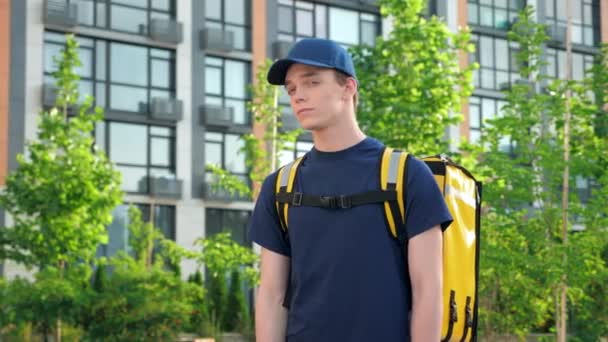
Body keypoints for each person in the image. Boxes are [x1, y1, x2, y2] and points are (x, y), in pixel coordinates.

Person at [248, 38, 452, 342]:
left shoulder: (406, 176)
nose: (298, 96)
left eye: (312, 82)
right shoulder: (280, 186)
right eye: (291, 89)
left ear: (348, 88)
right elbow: (271, 295)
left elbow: (428, 291)